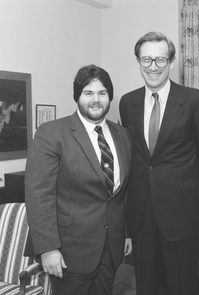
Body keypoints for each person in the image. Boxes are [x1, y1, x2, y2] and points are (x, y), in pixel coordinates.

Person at [119, 31, 199, 295]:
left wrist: (189, 189)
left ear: (171, 62)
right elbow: (133, 156)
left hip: (180, 212)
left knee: (182, 286)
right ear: (138, 62)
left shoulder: (195, 100)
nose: (153, 67)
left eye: (160, 60)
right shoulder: (127, 103)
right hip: (141, 214)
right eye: (146, 60)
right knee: (146, 286)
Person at [25, 64, 132, 295]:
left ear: (109, 97)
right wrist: (48, 248)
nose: (96, 99)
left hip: (110, 248)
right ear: (77, 97)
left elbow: (122, 193)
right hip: (68, 252)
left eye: (102, 93)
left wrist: (126, 233)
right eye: (88, 93)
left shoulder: (122, 135)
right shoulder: (52, 133)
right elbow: (38, 195)